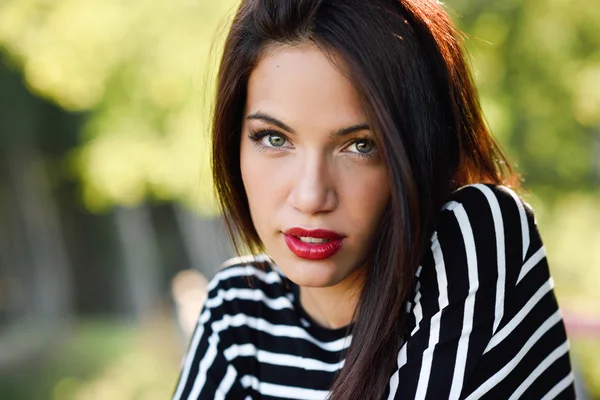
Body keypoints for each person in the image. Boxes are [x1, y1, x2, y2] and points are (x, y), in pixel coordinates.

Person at [172, 0, 575, 398]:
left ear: (419, 150)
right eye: (275, 139)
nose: (311, 196)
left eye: (361, 145)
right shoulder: (239, 310)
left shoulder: (476, 233)